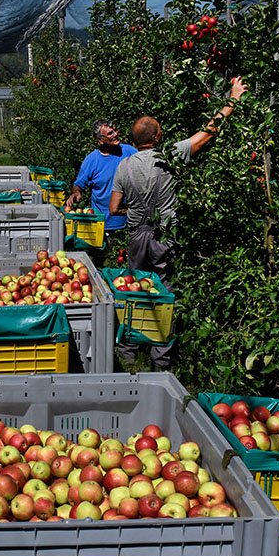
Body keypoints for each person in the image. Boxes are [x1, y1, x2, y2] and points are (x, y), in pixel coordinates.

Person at [109, 77, 248, 370]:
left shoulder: (124, 165)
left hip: (136, 237)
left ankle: (129, 349)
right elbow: (208, 133)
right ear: (157, 136)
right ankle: (162, 358)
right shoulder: (170, 155)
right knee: (165, 294)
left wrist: (133, 211)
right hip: (164, 236)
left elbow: (114, 207)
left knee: (134, 288)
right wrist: (233, 99)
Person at [65, 121, 136, 256]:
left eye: (115, 130)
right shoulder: (92, 160)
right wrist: (76, 193)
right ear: (100, 140)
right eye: (110, 133)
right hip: (103, 225)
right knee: (103, 261)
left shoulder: (129, 152)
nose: (116, 134)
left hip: (130, 220)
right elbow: (79, 184)